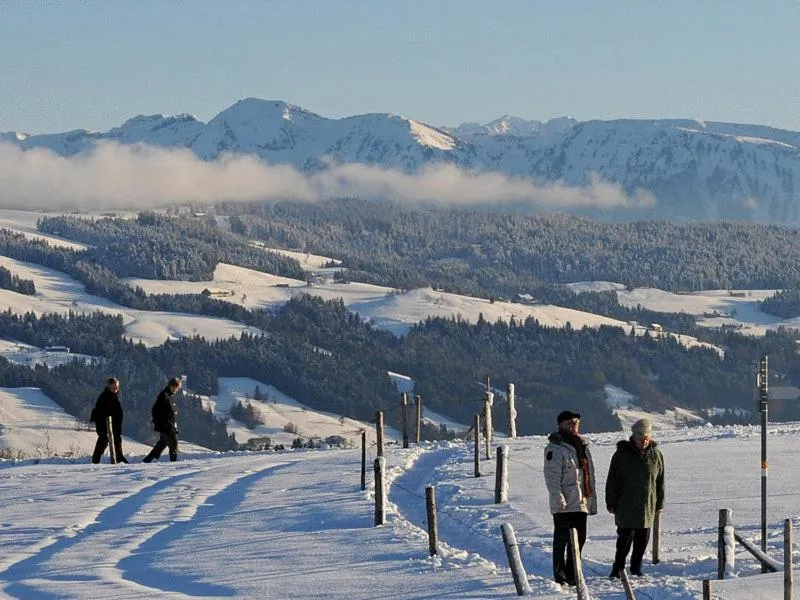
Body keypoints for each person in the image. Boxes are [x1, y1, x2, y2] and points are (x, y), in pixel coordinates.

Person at [605, 417, 665, 579]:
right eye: (641, 439)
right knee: (624, 540)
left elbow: (660, 481)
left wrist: (660, 503)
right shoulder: (621, 455)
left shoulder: (656, 455)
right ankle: (618, 568)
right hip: (626, 504)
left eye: (646, 439)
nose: (644, 442)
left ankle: (636, 568)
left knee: (642, 540)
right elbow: (612, 480)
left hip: (647, 505)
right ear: (634, 437)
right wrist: (610, 501)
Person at [543, 410, 597, 586]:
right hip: (564, 502)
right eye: (569, 423)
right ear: (560, 425)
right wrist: (558, 499)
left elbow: (587, 476)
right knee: (562, 540)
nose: (573, 426)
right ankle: (560, 576)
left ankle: (574, 573)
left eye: (576, 423)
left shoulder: (582, 445)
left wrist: (590, 500)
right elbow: (552, 477)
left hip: (581, 501)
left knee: (579, 540)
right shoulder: (556, 447)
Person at [142, 377, 182, 463]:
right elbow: (155, 409)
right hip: (167, 426)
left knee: (162, 444)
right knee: (173, 444)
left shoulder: (169, 395)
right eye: (176, 387)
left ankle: (147, 460)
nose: (176, 389)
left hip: (169, 425)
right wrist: (161, 422)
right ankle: (173, 463)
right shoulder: (164, 395)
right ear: (171, 386)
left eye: (177, 388)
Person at [89, 377, 128, 464]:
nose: (117, 388)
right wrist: (104, 428)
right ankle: (96, 462)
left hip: (114, 427)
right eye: (114, 387)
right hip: (107, 427)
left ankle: (120, 461)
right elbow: (100, 413)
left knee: (114, 445)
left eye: (117, 386)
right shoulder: (105, 397)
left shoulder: (112, 395)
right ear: (109, 387)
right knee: (103, 443)